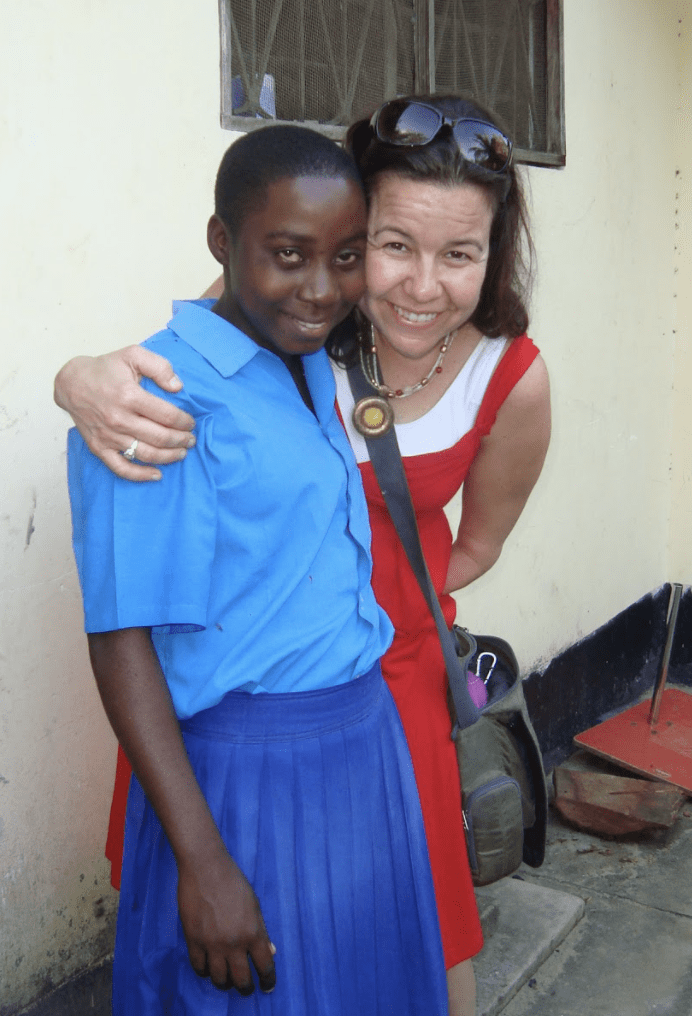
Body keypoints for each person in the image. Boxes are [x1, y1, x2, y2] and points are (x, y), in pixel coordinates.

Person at [56, 94, 551, 1016]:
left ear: (493, 254)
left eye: (461, 254)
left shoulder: (492, 373)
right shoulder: (297, 336)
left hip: (384, 699)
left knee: (405, 952)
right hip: (242, 712)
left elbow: (477, 543)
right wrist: (77, 378)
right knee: (257, 968)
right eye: (395, 244)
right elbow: (175, 358)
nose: (419, 283)